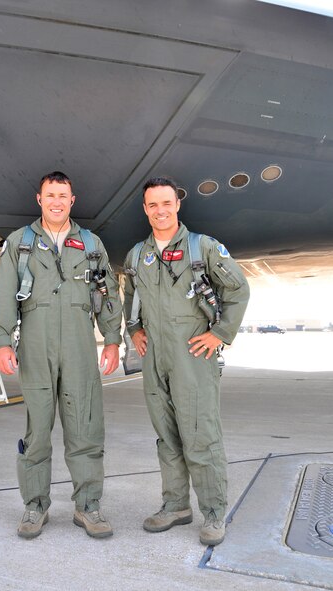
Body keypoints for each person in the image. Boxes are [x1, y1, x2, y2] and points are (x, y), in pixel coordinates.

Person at [0, 171, 122, 539]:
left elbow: (107, 294)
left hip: (80, 346)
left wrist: (112, 339)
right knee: (37, 432)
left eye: (63, 195)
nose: (56, 202)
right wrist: (1, 341)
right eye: (50, 195)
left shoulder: (91, 243)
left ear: (72, 200)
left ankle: (88, 507)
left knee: (86, 429)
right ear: (39, 199)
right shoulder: (20, 243)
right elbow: (4, 296)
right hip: (35, 344)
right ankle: (35, 507)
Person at [123, 176, 249, 546]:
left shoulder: (203, 248)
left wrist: (220, 334)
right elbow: (131, 295)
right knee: (167, 436)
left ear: (177, 205)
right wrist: (135, 331)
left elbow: (238, 290)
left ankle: (213, 513)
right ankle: (176, 505)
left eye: (166, 203)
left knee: (201, 436)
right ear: (145, 209)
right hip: (155, 357)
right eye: (152, 205)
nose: (160, 211)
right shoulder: (138, 255)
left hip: (193, 355)